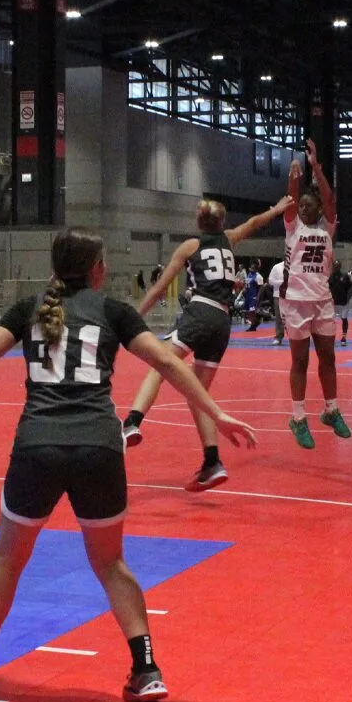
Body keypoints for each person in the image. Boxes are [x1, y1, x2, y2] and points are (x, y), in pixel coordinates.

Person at [0, 228, 257, 702]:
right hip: (99, 449)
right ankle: (146, 668)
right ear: (97, 270)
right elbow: (169, 364)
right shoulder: (114, 311)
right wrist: (216, 413)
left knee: (8, 560)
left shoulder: (28, 308)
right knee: (111, 563)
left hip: (38, 447)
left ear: (55, 267)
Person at [122, 195, 290, 489]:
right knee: (197, 394)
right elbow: (254, 223)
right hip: (222, 322)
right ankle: (212, 461)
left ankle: (132, 422)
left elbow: (161, 287)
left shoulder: (191, 246)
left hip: (201, 311)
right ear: (222, 221)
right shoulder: (229, 239)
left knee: (160, 364)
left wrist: (135, 317)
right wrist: (276, 210)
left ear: (198, 222)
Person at [283, 139, 350, 448]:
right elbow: (291, 199)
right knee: (300, 361)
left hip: (322, 300)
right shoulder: (293, 227)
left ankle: (331, 410)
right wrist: (294, 177)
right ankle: (298, 417)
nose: (304, 208)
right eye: (302, 206)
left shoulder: (327, 229)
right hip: (296, 302)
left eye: (309, 205)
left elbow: (330, 198)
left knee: (328, 357)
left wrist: (316, 167)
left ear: (319, 209)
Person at [328, 260, 352, 346]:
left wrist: (348, 297)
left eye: (337, 265)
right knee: (331, 321)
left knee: (344, 318)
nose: (336, 267)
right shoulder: (330, 276)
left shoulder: (345, 276)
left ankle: (344, 337)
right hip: (333, 303)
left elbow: (350, 288)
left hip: (343, 302)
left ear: (340, 266)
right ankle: (331, 337)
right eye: (335, 265)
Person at [267, 258, 286, 344]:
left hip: (293, 296)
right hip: (278, 295)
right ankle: (278, 337)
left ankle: (296, 338)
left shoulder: (295, 267)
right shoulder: (277, 267)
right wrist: (282, 282)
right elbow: (271, 281)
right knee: (279, 318)